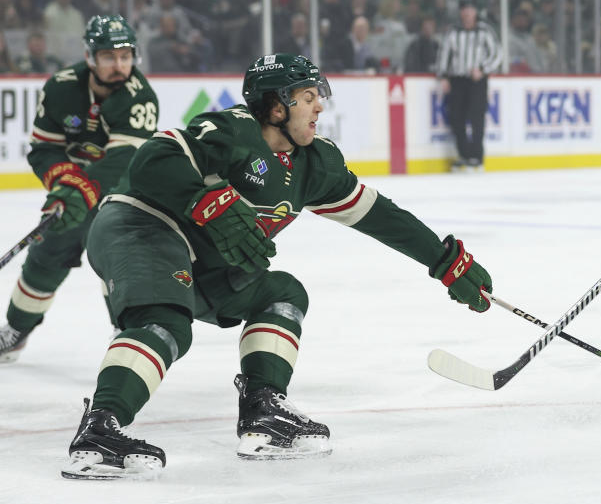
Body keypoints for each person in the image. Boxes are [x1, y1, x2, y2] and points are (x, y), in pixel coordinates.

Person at [60, 53, 494, 480]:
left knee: (282, 294)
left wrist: (443, 260)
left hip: (202, 260)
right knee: (165, 323)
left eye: (318, 95)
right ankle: (99, 432)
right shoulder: (232, 131)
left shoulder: (315, 164)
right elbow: (152, 160)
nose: (319, 105)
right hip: (140, 225)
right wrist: (204, 199)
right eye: (307, 96)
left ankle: (262, 411)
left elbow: (377, 214)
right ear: (275, 105)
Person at [0, 15, 158, 363]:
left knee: (116, 261)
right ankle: (16, 331)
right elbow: (44, 149)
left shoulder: (140, 96)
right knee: (43, 257)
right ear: (90, 57)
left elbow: (122, 160)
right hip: (75, 191)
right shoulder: (61, 87)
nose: (120, 65)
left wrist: (78, 189)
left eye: (125, 56)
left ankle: (126, 333)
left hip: (122, 196)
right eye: (108, 57)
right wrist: (63, 185)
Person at [436, 0, 502, 172]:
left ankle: (476, 157)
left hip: (477, 81)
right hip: (457, 80)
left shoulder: (484, 31)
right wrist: (443, 76)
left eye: (470, 9)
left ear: (475, 12)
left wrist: (483, 69)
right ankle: (463, 155)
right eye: (464, 9)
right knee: (456, 117)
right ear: (460, 12)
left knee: (476, 117)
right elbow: (444, 54)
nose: (467, 13)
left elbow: (497, 54)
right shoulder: (453, 32)